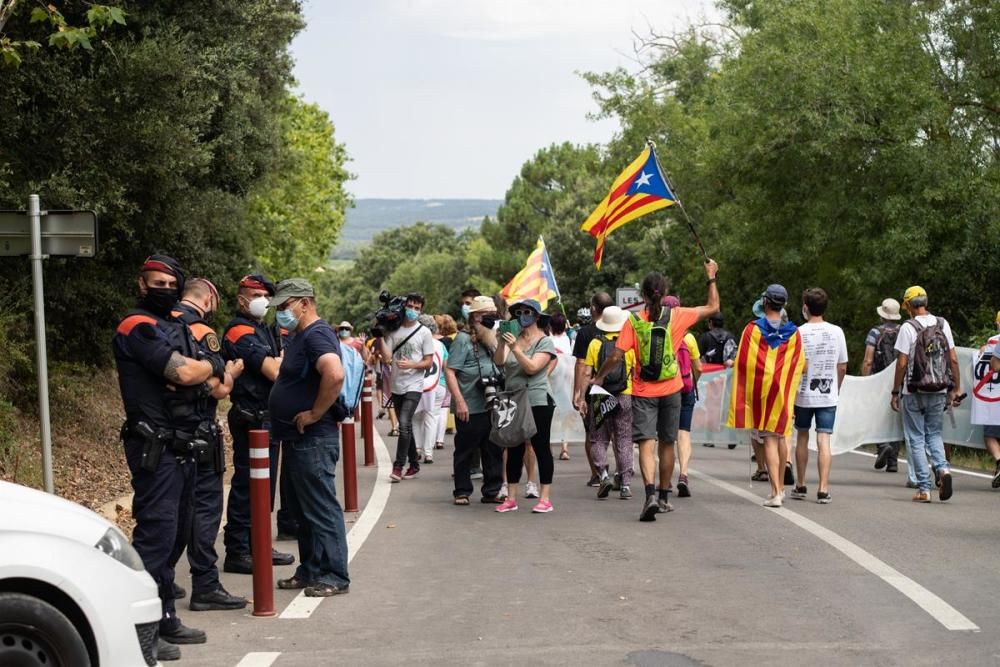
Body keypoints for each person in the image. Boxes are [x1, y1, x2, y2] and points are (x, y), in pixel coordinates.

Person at [114, 254, 234, 659]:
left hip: (183, 446)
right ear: (141, 284)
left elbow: (211, 375)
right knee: (156, 537)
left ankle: (165, 617)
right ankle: (139, 632)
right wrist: (200, 371)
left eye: (170, 283)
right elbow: (183, 373)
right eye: (155, 282)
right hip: (156, 448)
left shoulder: (178, 326)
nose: (162, 288)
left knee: (178, 534)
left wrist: (200, 369)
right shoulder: (138, 327)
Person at [594, 263, 720, 522]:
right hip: (672, 389)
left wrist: (599, 376)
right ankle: (663, 497)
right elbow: (713, 308)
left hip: (643, 390)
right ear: (664, 293)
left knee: (646, 445)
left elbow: (617, 355)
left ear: (642, 295)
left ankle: (649, 494)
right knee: (667, 444)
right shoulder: (678, 316)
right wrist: (710, 278)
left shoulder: (634, 322)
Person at [168, 279, 248, 613]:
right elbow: (218, 388)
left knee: (171, 510)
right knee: (204, 509)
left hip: (166, 431)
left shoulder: (162, 324)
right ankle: (205, 584)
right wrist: (229, 374)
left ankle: (159, 577)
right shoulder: (202, 331)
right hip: (199, 431)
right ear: (210, 298)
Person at [268, 279, 350, 597]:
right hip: (297, 437)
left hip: (314, 437)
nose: (281, 313)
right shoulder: (301, 335)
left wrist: (315, 413)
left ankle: (334, 574)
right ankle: (311, 569)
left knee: (320, 507)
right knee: (303, 510)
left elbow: (335, 373)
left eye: (285, 306)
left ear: (304, 302)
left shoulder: (316, 335)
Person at [221, 274, 296, 573]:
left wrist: (278, 362)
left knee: (264, 487)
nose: (263, 300)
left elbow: (280, 363)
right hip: (251, 417)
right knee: (246, 486)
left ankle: (258, 544)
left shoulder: (261, 329)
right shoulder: (240, 331)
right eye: (257, 295)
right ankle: (238, 550)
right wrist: (278, 362)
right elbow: (275, 371)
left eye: (266, 295)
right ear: (242, 298)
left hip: (266, 416)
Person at [727, 284, 806, 508]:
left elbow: (743, 362)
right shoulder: (793, 332)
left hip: (763, 392)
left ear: (765, 302)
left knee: (769, 438)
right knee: (782, 436)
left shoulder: (752, 329)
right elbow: (799, 363)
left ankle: (776, 492)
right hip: (783, 390)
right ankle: (780, 487)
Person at [890, 286, 960, 503]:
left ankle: (923, 488)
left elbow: (902, 362)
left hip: (914, 390)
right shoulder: (942, 324)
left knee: (917, 438)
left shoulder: (908, 327)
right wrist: (956, 388)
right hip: (939, 388)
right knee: (934, 434)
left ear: (909, 305)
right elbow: (953, 358)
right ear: (926, 302)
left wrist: (895, 391)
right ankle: (943, 470)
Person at [494, 299, 558, 513]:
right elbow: (500, 362)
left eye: (527, 311)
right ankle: (511, 498)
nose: (522, 315)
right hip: (513, 399)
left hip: (537, 399)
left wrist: (516, 348)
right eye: (519, 312)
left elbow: (532, 368)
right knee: (513, 447)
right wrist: (503, 343)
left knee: (540, 446)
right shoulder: (514, 338)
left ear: (537, 317)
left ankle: (545, 498)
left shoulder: (545, 342)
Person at [444, 295, 506, 504]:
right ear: (475, 316)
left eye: (492, 314)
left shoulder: (492, 337)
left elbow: (501, 362)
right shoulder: (462, 339)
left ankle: (492, 490)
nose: (489, 318)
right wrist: (460, 401)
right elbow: (450, 371)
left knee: (493, 448)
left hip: (492, 403)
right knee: (465, 449)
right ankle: (462, 491)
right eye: (485, 314)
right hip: (470, 404)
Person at [790, 288, 847, 505]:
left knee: (802, 436)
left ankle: (801, 484)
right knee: (824, 439)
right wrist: (837, 388)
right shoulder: (837, 332)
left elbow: (794, 364)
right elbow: (842, 366)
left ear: (806, 307)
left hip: (803, 394)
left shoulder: (798, 333)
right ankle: (823, 488)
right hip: (828, 393)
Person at [377, 292, 436, 481]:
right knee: (407, 426)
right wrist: (382, 336)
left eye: (417, 308)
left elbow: (428, 362)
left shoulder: (424, 333)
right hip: (396, 385)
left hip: (414, 385)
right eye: (410, 306)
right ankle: (415, 464)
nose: (413, 311)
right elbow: (387, 358)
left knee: (403, 424)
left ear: (421, 310)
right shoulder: (394, 330)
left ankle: (398, 466)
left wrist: (412, 365)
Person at [580, 306, 635, 500]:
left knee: (599, 438)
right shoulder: (628, 343)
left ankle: (603, 475)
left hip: (600, 394)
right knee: (624, 439)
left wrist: (581, 396)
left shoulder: (595, 343)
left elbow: (587, 372)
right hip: (624, 394)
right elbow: (635, 370)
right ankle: (626, 484)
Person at [572, 292, 614, 487]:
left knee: (593, 432)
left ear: (594, 308)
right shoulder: (622, 330)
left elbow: (581, 365)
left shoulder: (585, 333)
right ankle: (623, 474)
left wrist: (578, 393)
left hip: (594, 390)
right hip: (619, 387)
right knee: (619, 432)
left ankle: (597, 473)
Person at [664, 295, 702, 498]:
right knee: (683, 432)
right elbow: (699, 367)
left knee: (665, 435)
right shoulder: (689, 337)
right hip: (686, 389)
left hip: (666, 388)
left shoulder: (659, 333)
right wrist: (692, 380)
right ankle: (684, 474)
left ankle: (666, 479)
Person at [861, 298, 903, 472]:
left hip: (879, 379)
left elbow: (868, 360)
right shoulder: (904, 331)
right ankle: (893, 460)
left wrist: (866, 380)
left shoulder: (875, 332)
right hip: (899, 379)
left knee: (877, 415)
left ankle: (882, 445)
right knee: (895, 417)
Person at [413, 314, 448, 464]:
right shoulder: (441, 345)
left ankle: (417, 449)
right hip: (438, 384)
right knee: (431, 417)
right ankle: (429, 453)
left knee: (416, 417)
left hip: (418, 384)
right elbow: (446, 367)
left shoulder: (416, 342)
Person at [983, 315, 1000, 487]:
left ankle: (999, 460)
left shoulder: (994, 341)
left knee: (990, 434)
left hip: (996, 394)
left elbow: (994, 365)